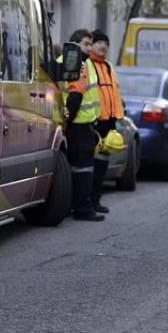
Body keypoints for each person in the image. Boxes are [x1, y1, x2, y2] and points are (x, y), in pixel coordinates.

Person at [63, 29, 104, 222]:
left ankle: (73, 206)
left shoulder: (75, 62)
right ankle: (82, 208)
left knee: (75, 168)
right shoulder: (77, 64)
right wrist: (68, 119)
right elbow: (75, 95)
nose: (90, 48)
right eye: (86, 44)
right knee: (83, 169)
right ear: (75, 44)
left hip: (77, 124)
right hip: (78, 125)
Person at [89, 29, 124, 214]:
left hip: (109, 122)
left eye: (106, 43)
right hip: (94, 121)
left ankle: (95, 199)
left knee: (102, 164)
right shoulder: (88, 66)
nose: (103, 46)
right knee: (90, 164)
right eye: (99, 42)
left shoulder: (109, 67)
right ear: (92, 45)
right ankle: (87, 201)